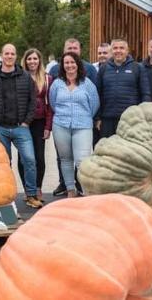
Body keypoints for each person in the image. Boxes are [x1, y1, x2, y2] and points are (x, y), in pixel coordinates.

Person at [0, 43, 41, 208]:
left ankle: (30, 195)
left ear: (16, 56)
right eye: (6, 53)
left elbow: (32, 102)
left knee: (29, 159)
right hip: (0, 128)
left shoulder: (25, 77)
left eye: (12, 54)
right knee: (3, 164)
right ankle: (4, 198)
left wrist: (26, 122)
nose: (9, 56)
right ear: (1, 55)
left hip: (20, 127)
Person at [48, 38, 98, 197]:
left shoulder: (87, 83)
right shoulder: (57, 84)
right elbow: (53, 102)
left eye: (72, 62)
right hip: (61, 125)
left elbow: (94, 104)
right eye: (66, 63)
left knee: (82, 160)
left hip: (82, 125)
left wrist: (84, 116)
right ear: (62, 66)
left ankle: (85, 189)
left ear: (78, 64)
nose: (69, 65)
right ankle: (71, 189)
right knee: (65, 159)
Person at [95, 39, 151, 138]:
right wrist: (98, 118)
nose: (118, 51)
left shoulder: (138, 68)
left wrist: (144, 116)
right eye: (115, 48)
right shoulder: (103, 69)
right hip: (108, 119)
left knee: (129, 151)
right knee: (108, 150)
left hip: (131, 120)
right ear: (111, 51)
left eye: (121, 48)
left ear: (127, 50)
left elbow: (145, 94)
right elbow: (97, 95)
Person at [17, 48, 53, 202]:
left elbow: (50, 105)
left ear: (39, 61)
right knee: (23, 157)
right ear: (25, 61)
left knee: (39, 156)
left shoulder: (47, 79)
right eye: (29, 59)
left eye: (35, 59)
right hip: (23, 122)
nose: (32, 61)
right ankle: (27, 189)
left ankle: (37, 187)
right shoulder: (19, 78)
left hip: (39, 121)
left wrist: (48, 126)